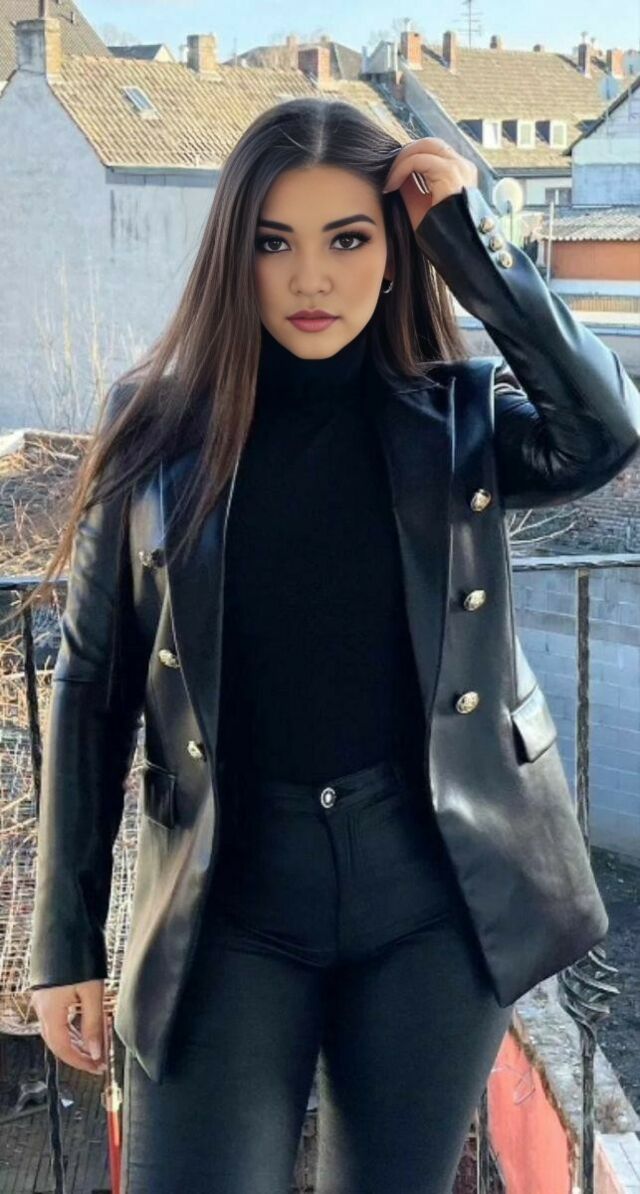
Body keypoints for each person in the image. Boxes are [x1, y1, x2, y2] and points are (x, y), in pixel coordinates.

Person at [26, 98, 640, 1194]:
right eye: (275, 242)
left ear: (395, 254)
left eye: (348, 239)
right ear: (236, 256)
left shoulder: (455, 418)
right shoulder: (155, 427)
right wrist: (63, 939)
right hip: (228, 902)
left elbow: (602, 434)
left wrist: (471, 243)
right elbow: (90, 685)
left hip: (430, 901)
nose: (311, 278)